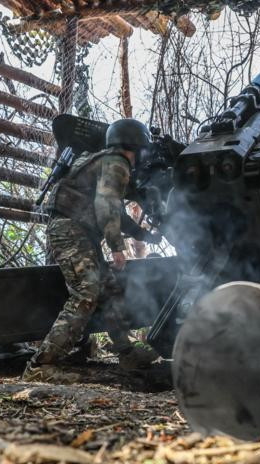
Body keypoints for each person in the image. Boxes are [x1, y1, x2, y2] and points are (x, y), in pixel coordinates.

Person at [23, 119, 161, 383]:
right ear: (135, 144)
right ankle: (41, 364)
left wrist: (145, 236)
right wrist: (117, 247)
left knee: (109, 288)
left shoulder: (103, 160)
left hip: (76, 229)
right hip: (71, 229)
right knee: (87, 291)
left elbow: (117, 212)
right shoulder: (117, 162)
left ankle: (127, 352)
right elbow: (107, 204)